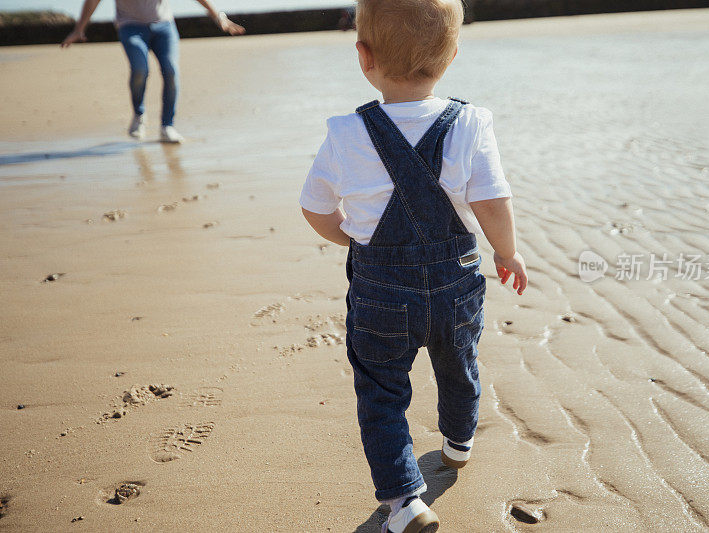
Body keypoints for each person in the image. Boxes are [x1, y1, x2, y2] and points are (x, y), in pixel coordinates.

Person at [299, 1, 527, 530]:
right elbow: (492, 199)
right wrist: (507, 251)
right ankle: (458, 442)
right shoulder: (471, 122)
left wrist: (348, 238)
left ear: (363, 56)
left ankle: (404, 502)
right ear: (451, 54)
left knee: (380, 390)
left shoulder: (345, 133)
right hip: (456, 286)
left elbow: (314, 207)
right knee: (458, 363)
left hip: (380, 290)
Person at [61, 0, 244, 143]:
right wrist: (79, 29)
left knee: (171, 71)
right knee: (140, 69)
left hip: (164, 26)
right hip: (130, 27)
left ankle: (167, 126)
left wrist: (219, 17)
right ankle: (139, 114)